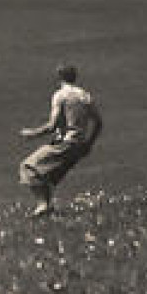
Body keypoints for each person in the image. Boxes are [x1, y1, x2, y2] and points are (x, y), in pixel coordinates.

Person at [18, 64, 104, 217]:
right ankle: (48, 209)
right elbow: (98, 122)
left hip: (66, 142)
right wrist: (89, 144)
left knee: (28, 167)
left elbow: (52, 125)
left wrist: (31, 134)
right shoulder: (84, 95)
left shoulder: (60, 95)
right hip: (79, 145)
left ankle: (43, 205)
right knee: (48, 176)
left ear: (59, 78)